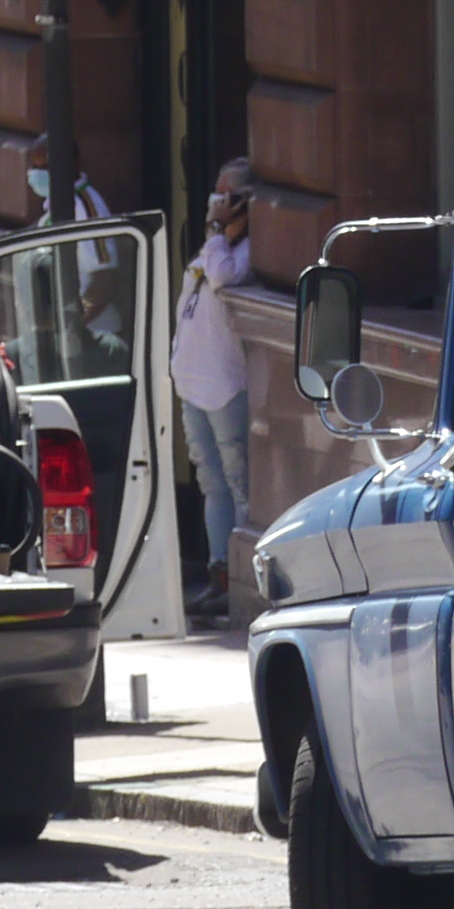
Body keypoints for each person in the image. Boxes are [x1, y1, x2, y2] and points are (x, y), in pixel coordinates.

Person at [172, 165, 257, 615]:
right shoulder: (214, 245)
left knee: (239, 482)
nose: (215, 204)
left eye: (226, 197)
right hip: (192, 382)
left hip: (226, 386)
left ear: (244, 203)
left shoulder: (240, 251)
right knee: (212, 485)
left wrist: (223, 233)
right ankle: (218, 571)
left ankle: (242, 581)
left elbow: (223, 277)